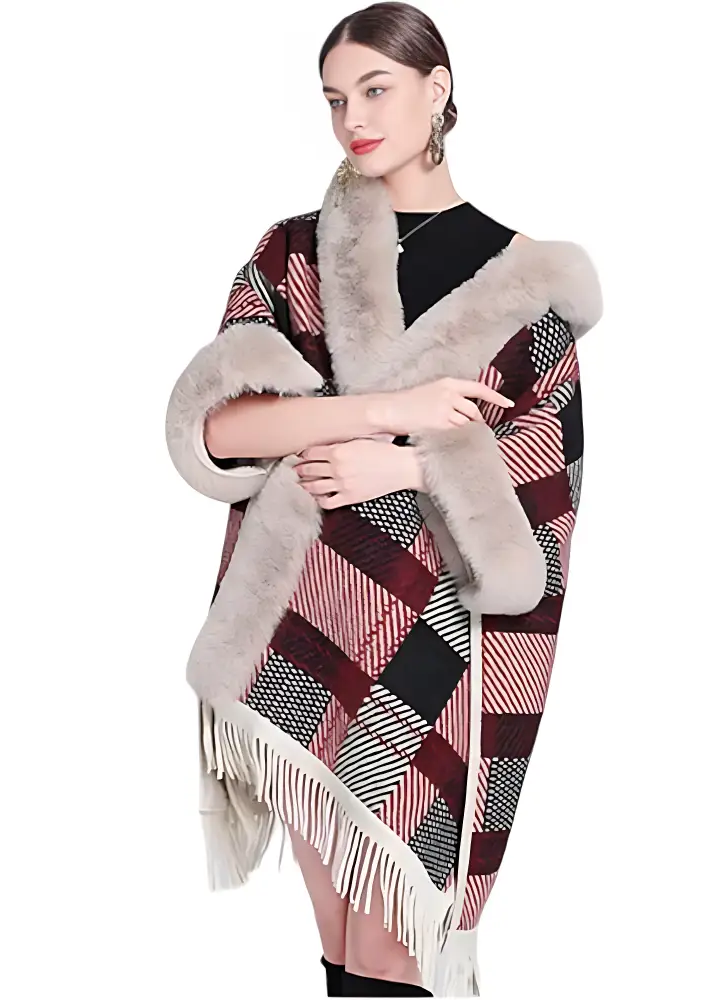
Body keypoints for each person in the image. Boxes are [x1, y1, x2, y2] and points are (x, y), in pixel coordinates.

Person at [163, 3, 603, 996]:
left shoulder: (528, 292)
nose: (352, 120)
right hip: (295, 618)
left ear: (436, 89)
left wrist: (408, 468)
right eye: (333, 99)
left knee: (397, 942)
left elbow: (548, 490)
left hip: (436, 641)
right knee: (339, 940)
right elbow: (216, 427)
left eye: (375, 90)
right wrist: (389, 412)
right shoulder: (292, 254)